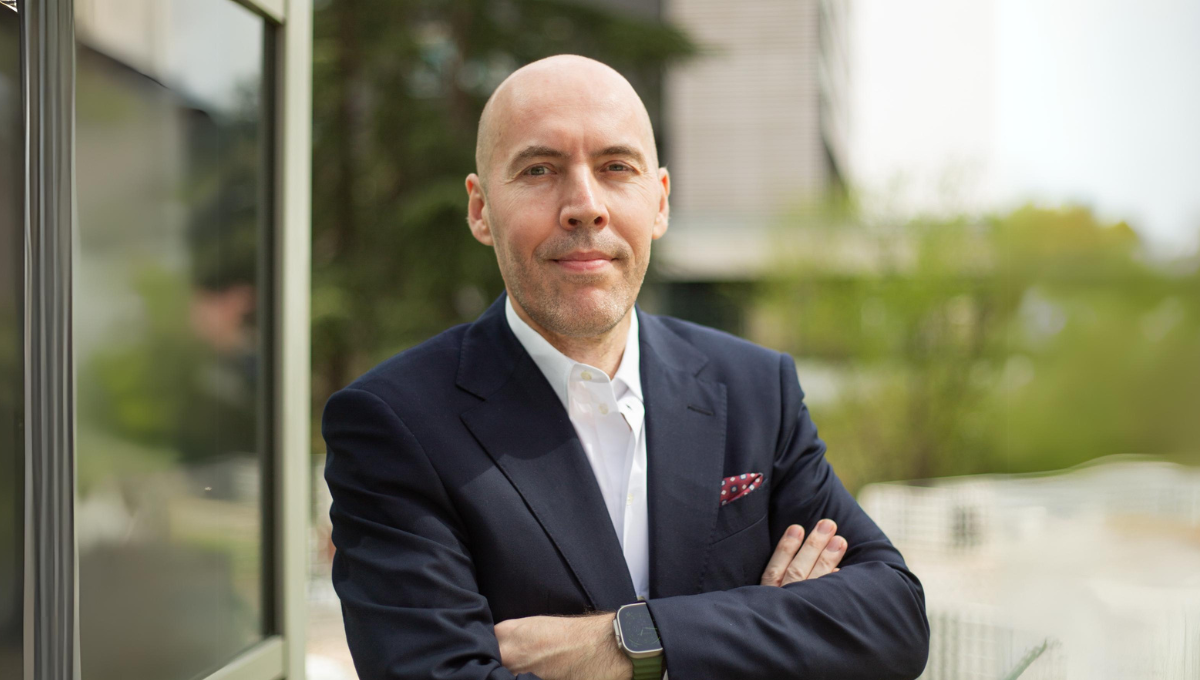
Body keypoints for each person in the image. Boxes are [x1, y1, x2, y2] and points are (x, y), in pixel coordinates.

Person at [321, 54, 930, 680]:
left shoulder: (755, 388)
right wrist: (767, 631)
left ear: (659, 202)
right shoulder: (392, 424)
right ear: (480, 209)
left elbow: (893, 619)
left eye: (616, 167)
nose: (585, 206)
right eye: (539, 170)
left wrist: (632, 643)